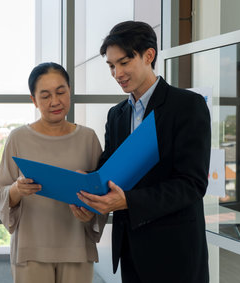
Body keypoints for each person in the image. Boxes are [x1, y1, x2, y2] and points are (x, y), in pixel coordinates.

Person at [77, 21, 211, 283]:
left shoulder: (187, 106)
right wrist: (86, 192)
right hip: (130, 250)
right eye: (112, 66)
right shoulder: (117, 115)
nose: (117, 73)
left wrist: (128, 201)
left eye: (124, 62)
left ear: (149, 55)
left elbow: (192, 184)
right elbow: (109, 171)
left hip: (176, 252)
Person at [0, 62, 107, 283]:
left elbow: (101, 191)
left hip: (77, 248)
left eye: (61, 92)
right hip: (30, 250)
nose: (55, 101)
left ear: (70, 91)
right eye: (45, 96)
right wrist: (17, 189)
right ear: (33, 100)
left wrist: (91, 211)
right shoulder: (18, 138)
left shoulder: (88, 138)